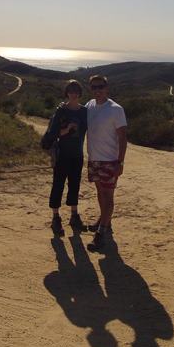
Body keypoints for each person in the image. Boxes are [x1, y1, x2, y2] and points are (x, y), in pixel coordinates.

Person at [85, 74, 127, 252]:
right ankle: (104, 221)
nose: (97, 90)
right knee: (100, 193)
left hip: (110, 160)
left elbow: (123, 137)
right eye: (94, 87)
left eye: (100, 86)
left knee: (108, 196)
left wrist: (120, 161)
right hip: (94, 159)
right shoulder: (89, 106)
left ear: (107, 88)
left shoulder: (116, 109)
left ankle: (101, 233)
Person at [42, 80, 88, 235]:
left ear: (80, 93)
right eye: (71, 90)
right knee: (58, 186)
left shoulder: (84, 111)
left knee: (74, 185)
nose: (73, 93)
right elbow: (53, 134)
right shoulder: (61, 111)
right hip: (62, 155)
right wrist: (67, 129)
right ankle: (56, 218)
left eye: (76, 91)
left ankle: (74, 216)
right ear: (67, 93)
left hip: (77, 155)